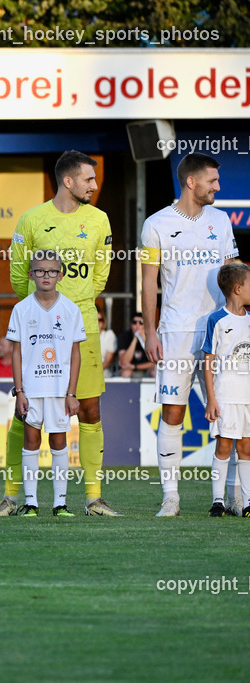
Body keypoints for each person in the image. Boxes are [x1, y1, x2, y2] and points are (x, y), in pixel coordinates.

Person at [0, 150, 119, 517]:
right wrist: (39, 311)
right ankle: (11, 497)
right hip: (37, 326)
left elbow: (99, 277)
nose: (95, 186)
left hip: (80, 323)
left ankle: (93, 498)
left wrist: (72, 306)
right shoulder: (31, 219)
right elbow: (19, 276)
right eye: (88, 180)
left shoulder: (99, 220)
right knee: (24, 412)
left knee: (90, 410)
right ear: (68, 181)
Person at [141, 153, 239, 517]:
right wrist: (151, 331)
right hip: (176, 331)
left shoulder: (221, 220)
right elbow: (148, 282)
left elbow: (233, 273)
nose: (218, 186)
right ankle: (171, 497)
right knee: (172, 413)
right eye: (212, 181)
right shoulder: (156, 224)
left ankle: (234, 496)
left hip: (219, 330)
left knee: (229, 412)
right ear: (191, 182)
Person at [7, 251, 85, 517]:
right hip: (31, 390)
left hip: (59, 391)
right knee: (30, 441)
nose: (46, 276)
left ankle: (60, 503)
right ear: (31, 275)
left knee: (59, 442)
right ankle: (31, 503)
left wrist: (71, 393)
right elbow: (16, 353)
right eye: (39, 271)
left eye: (52, 271)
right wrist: (19, 391)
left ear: (61, 275)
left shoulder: (71, 310)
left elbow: (76, 354)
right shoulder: (21, 309)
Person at [202, 263, 250, 517]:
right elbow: (208, 360)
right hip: (226, 395)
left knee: (246, 449)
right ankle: (218, 501)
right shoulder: (217, 320)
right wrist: (211, 398)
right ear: (238, 289)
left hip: (247, 397)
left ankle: (248, 502)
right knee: (223, 447)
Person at [117, 313, 154, 378]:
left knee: (154, 373)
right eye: (134, 322)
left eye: (141, 323)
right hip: (129, 369)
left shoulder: (151, 337)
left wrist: (144, 339)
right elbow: (124, 362)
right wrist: (135, 339)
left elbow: (155, 362)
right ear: (131, 325)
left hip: (147, 369)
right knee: (126, 373)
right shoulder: (124, 337)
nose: (137, 325)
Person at [98, 309, 117, 376]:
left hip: (103, 373)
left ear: (104, 321)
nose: (97, 322)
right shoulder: (84, 335)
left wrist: (94, 373)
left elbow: (108, 360)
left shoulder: (109, 335)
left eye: (100, 320)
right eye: (94, 320)